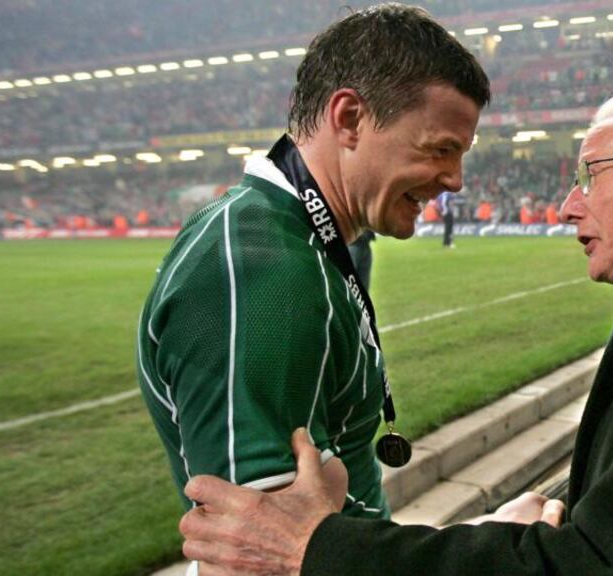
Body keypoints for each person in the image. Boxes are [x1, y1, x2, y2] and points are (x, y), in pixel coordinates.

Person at [179, 81, 613, 575]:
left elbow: (603, 564)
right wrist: (526, 523)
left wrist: (318, 550)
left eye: (592, 175)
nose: (569, 205)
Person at [137, 2, 489, 524]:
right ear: (349, 119)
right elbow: (259, 545)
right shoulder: (261, 269)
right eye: (440, 149)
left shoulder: (295, 242)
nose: (455, 180)